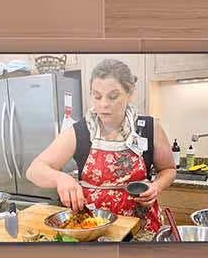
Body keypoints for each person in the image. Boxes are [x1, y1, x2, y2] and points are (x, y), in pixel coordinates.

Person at [24, 58, 177, 239]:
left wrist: (156, 186)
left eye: (113, 96)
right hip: (92, 228)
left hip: (140, 228)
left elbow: (168, 169)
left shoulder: (149, 128)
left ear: (129, 93)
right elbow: (34, 170)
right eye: (97, 96)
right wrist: (60, 178)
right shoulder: (80, 132)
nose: (103, 104)